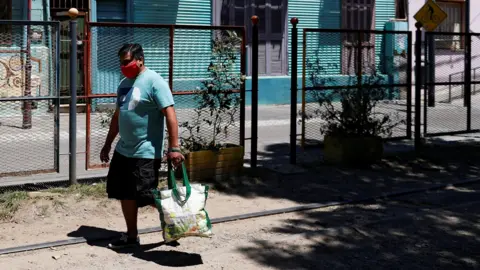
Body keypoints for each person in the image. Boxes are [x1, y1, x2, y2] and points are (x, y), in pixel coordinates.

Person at [100, 43, 184, 249]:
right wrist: (107, 144)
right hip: (123, 150)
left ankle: (175, 222)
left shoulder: (154, 82)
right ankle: (131, 237)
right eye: (121, 62)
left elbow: (171, 115)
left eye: (127, 61)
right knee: (125, 193)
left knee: (146, 194)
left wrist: (174, 147)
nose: (123, 66)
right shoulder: (124, 84)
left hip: (146, 151)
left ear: (140, 60)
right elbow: (118, 117)